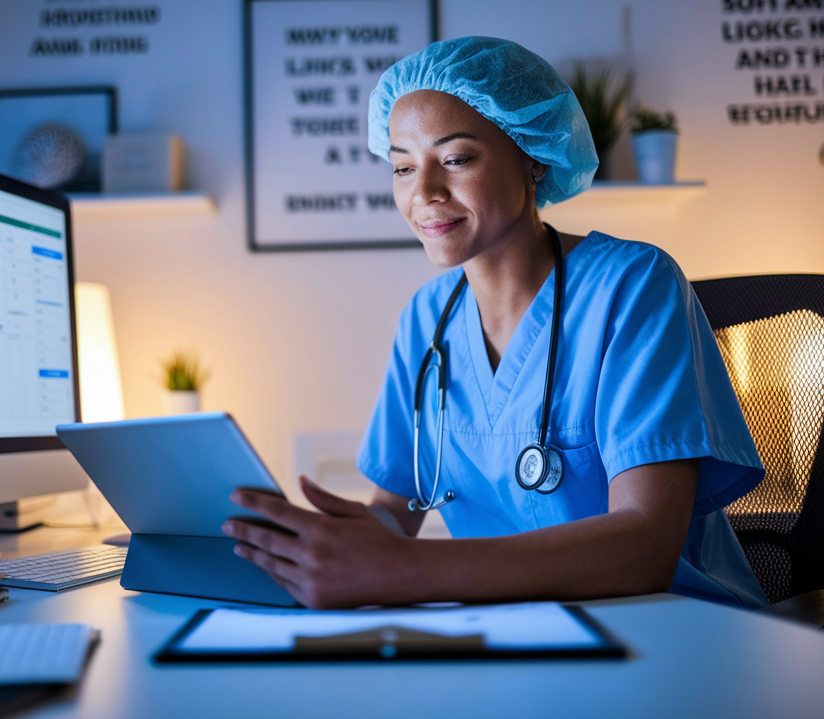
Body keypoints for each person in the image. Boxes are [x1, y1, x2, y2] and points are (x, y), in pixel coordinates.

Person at [221, 36, 769, 611]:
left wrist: (407, 569)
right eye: (403, 167)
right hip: (510, 630)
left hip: (667, 632)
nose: (424, 193)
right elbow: (393, 514)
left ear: (533, 157)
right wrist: (286, 546)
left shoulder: (632, 285)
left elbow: (646, 545)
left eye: (455, 159)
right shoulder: (426, 320)